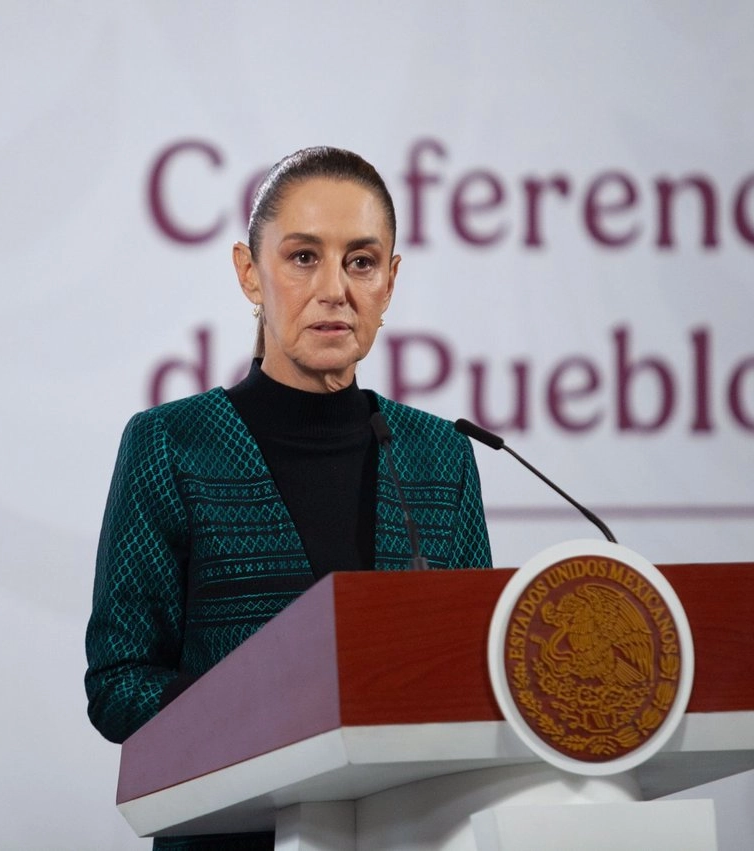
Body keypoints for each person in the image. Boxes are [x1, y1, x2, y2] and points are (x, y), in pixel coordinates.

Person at [84, 146, 493, 850]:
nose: (334, 287)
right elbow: (119, 685)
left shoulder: (440, 457)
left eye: (361, 262)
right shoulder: (173, 445)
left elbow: (474, 672)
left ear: (390, 283)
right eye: (303, 257)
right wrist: (264, 714)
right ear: (250, 272)